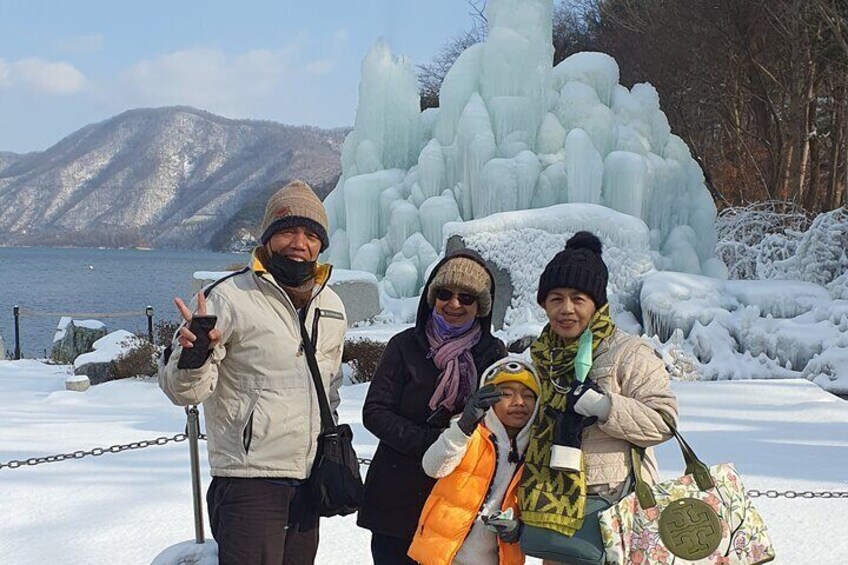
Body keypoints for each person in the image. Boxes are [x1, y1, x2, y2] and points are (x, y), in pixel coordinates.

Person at [159, 180, 347, 565]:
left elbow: (332, 384)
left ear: (321, 244)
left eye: (311, 234)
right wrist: (194, 356)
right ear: (267, 238)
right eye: (288, 230)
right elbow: (184, 391)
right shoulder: (230, 297)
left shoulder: (331, 304)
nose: (300, 242)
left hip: (311, 475)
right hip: (251, 478)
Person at [519, 231, 678, 565]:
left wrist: (603, 406)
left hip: (612, 509)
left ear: (597, 303)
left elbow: (664, 422)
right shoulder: (541, 357)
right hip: (554, 508)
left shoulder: (627, 352)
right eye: (556, 298)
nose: (566, 309)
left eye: (578, 298)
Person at [358, 250, 507, 565]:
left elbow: (502, 425)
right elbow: (375, 412)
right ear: (431, 297)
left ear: (481, 306)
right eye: (444, 293)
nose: (454, 304)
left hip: (458, 499)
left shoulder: (493, 354)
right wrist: (432, 443)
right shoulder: (404, 346)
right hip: (397, 497)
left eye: (466, 297)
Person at [407, 357, 541, 565]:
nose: (519, 402)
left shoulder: (538, 449)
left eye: (528, 395)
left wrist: (521, 529)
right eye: (505, 394)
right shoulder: (470, 433)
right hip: (446, 557)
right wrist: (464, 426)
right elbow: (433, 467)